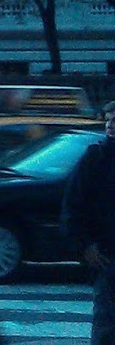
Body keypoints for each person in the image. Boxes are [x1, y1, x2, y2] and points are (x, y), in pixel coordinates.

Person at [63, 99, 115, 345]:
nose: (111, 124)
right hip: (108, 251)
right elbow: (73, 204)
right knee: (106, 322)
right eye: (109, 119)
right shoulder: (96, 157)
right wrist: (85, 245)